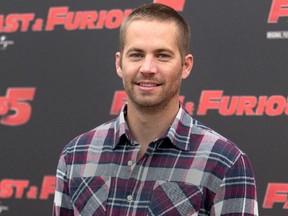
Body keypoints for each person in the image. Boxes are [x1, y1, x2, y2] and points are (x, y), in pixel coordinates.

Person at [53, 3, 258, 216]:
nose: (148, 68)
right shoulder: (76, 156)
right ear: (119, 64)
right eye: (136, 55)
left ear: (186, 66)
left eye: (162, 55)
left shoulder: (225, 162)